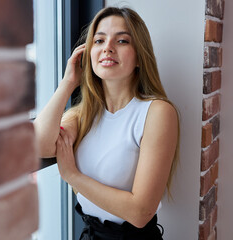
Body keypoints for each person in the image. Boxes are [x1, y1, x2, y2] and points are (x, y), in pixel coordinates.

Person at [33, 6, 179, 240]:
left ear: (140, 56)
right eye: (99, 40)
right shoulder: (83, 115)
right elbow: (39, 145)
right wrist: (68, 83)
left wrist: (73, 176)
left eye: (122, 41)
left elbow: (141, 212)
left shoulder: (156, 112)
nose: (107, 48)